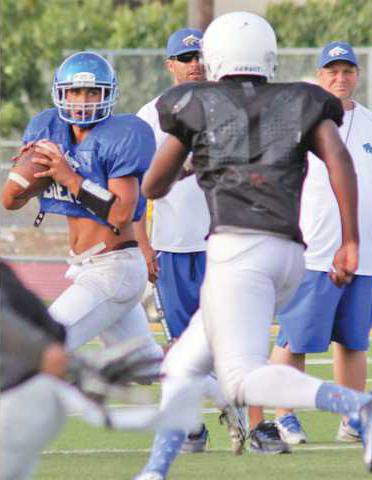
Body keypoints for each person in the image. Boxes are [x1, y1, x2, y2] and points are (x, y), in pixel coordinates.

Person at [135, 13, 372, 480]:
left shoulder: (196, 103)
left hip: (238, 251)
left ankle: (359, 405)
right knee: (181, 364)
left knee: (240, 378)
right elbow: (339, 160)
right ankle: (154, 472)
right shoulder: (299, 99)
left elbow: (153, 186)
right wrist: (351, 240)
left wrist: (194, 162)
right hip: (290, 254)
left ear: (215, 56)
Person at [247, 41, 372, 450]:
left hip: (365, 256)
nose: (340, 78)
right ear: (319, 75)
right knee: (294, 339)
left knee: (354, 340)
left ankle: (353, 418)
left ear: (357, 75)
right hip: (313, 255)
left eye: (347, 71)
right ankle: (284, 415)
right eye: (332, 71)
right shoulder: (297, 122)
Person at [1, 51, 163, 373]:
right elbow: (9, 202)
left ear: (108, 94)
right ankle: (220, 396)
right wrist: (26, 177)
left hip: (114, 268)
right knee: (147, 368)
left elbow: (121, 213)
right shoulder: (49, 132)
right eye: (75, 91)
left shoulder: (121, 135)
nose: (83, 101)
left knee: (42, 347)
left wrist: (70, 178)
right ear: (61, 93)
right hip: (84, 265)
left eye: (92, 92)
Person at [135, 28, 246, 455]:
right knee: (183, 344)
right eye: (185, 58)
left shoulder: (229, 106)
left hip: (221, 243)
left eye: (199, 55)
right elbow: (136, 185)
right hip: (173, 247)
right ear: (170, 65)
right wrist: (144, 245)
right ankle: (195, 427)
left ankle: (235, 412)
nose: (194, 64)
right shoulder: (151, 114)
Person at [0, 259, 198, 480]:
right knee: (151, 361)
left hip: (19, 396)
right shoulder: (6, 274)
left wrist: (57, 360)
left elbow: (49, 351)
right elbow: (51, 331)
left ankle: (202, 368)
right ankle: (200, 368)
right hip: (36, 397)